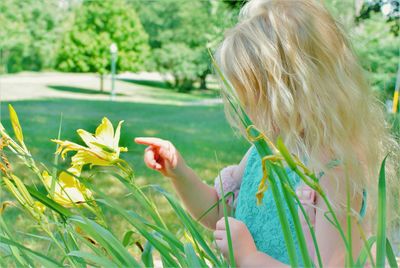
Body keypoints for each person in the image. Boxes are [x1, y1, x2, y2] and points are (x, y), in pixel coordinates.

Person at [135, 0, 399, 266]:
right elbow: (218, 213)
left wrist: (249, 257)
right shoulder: (261, 155)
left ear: (299, 92)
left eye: (255, 100)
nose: (247, 112)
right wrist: (180, 172)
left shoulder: (335, 172)